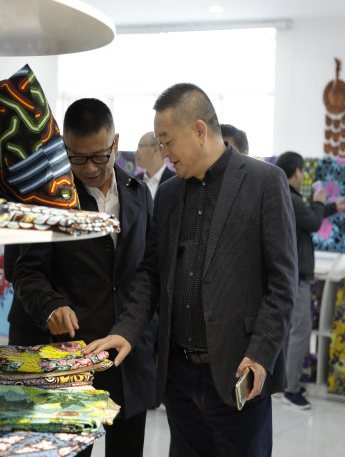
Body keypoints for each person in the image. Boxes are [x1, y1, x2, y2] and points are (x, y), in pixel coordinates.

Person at [83, 83, 297, 457]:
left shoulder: (264, 181)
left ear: (199, 130)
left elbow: (283, 281)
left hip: (238, 372)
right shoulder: (168, 193)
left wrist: (261, 353)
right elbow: (151, 273)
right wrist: (126, 330)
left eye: (167, 141)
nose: (163, 152)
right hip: (180, 380)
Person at [12, 99, 158, 457]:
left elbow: (149, 270)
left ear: (115, 143)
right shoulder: (49, 199)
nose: (90, 168)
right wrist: (50, 306)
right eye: (78, 158)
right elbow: (26, 271)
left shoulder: (139, 193)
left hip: (127, 357)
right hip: (73, 359)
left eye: (99, 156)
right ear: (65, 147)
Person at [275, 151, 345, 410]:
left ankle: (284, 384)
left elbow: (308, 217)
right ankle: (290, 391)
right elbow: (313, 222)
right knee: (301, 332)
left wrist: (331, 206)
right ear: (297, 172)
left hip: (291, 275)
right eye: (303, 171)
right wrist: (321, 202)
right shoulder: (292, 197)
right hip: (296, 277)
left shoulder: (284, 195)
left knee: (290, 332)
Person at [135, 131, 175, 198]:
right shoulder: (135, 181)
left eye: (140, 147)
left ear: (155, 149)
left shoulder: (175, 182)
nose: (135, 153)